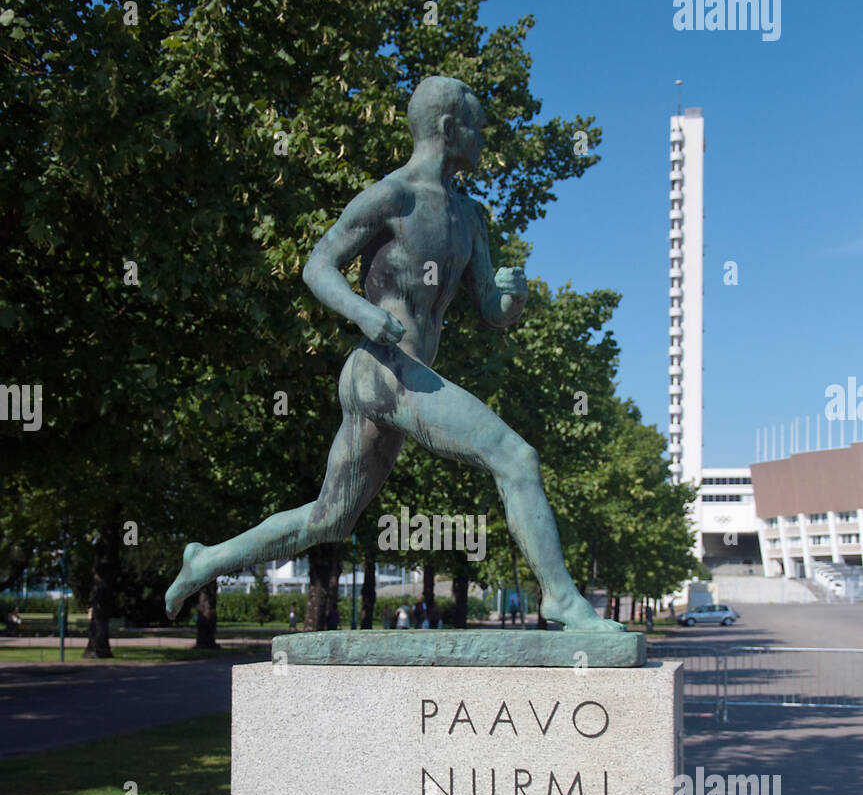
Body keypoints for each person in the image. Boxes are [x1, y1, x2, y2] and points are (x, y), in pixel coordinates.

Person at [165, 76, 624, 636]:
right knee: (516, 458)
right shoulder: (393, 196)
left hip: (407, 377)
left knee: (327, 519)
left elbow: (492, 309)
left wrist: (513, 295)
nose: (483, 137)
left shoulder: (471, 217)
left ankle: (205, 559)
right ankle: (561, 599)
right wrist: (360, 312)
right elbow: (318, 265)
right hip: (383, 371)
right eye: (476, 125)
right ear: (449, 128)